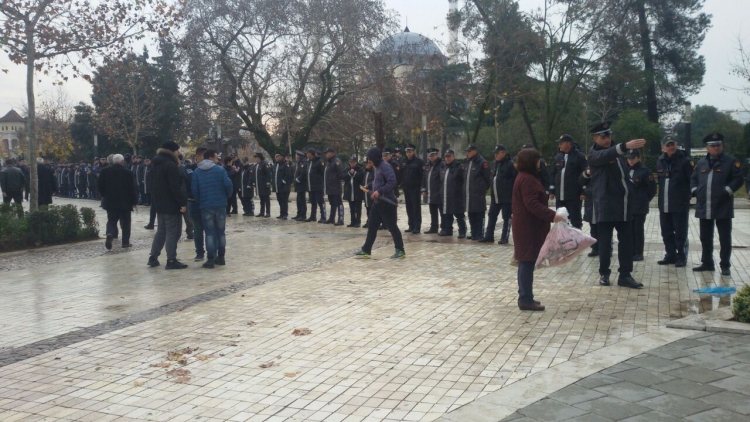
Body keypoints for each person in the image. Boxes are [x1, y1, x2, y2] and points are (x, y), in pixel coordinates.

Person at [584, 122, 646, 289]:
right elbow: (607, 154)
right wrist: (625, 146)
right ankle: (604, 273)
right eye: (602, 136)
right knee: (604, 243)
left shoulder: (617, 153)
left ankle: (625, 275)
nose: (607, 138)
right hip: (605, 205)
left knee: (626, 242)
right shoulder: (594, 154)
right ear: (595, 138)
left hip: (624, 204)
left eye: (608, 135)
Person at [513, 148, 566, 311]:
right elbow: (532, 204)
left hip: (528, 227)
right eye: (537, 160)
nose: (539, 163)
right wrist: (552, 215)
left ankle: (526, 296)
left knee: (526, 261)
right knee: (527, 262)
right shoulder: (527, 179)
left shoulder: (526, 177)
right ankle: (525, 299)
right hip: (528, 228)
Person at [691, 132, 744, 275]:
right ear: (707, 147)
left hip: (723, 206)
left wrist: (727, 191)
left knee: (724, 238)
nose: (716, 148)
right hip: (704, 206)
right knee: (705, 237)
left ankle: (725, 265)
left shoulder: (731, 161)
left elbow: (738, 179)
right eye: (712, 146)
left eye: (718, 145)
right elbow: (693, 178)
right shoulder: (702, 163)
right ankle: (707, 263)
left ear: (722, 146)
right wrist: (695, 190)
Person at [354, 147, 406, 259]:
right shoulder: (377, 167)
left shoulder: (385, 167)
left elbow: (392, 182)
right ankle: (366, 249)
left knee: (392, 226)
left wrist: (379, 191)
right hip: (378, 203)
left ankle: (400, 250)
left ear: (375, 158)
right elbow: (377, 181)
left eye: (370, 159)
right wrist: (370, 185)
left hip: (387, 202)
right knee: (372, 226)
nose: (369, 161)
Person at [148, 141, 189, 270]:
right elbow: (174, 187)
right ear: (172, 151)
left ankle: (153, 257)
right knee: (173, 232)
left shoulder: (154, 164)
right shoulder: (170, 165)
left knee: (161, 231)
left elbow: (150, 184)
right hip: (171, 204)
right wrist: (182, 203)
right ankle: (171, 259)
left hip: (159, 204)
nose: (178, 153)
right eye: (177, 150)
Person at [656, 135, 694, 267]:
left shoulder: (684, 161)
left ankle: (681, 256)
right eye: (668, 145)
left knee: (680, 231)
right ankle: (670, 254)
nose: (671, 147)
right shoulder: (660, 161)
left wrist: (689, 196)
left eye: (673, 144)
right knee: (666, 231)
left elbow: (691, 180)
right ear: (663, 148)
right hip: (664, 204)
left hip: (679, 203)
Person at [191, 149, 234, 268]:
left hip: (205, 205)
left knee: (209, 233)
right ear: (210, 158)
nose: (217, 160)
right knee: (221, 232)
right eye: (216, 157)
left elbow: (194, 190)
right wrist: (226, 197)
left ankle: (210, 259)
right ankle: (221, 257)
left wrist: (201, 201)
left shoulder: (197, 172)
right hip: (220, 204)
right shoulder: (220, 170)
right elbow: (228, 185)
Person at [98, 154, 137, 250]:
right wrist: (134, 201)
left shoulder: (104, 171)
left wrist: (105, 195)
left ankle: (110, 233)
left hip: (110, 201)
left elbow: (99, 186)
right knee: (126, 222)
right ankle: (125, 242)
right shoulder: (127, 172)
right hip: (125, 202)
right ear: (122, 162)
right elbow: (132, 188)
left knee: (111, 220)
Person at [481, 144, 516, 244]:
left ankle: (504, 237)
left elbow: (515, 180)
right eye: (495, 154)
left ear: (504, 153)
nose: (495, 155)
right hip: (495, 196)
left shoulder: (510, 164)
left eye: (498, 153)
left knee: (506, 217)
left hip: (506, 197)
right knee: (492, 215)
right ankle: (489, 236)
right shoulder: (495, 164)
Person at [549, 135, 586, 229]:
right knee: (561, 219)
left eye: (561, 143)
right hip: (560, 196)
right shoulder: (558, 157)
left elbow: (585, 174)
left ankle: (576, 240)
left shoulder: (579, 156)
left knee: (575, 219)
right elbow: (553, 174)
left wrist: (583, 191)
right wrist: (552, 190)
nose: (559, 146)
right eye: (559, 144)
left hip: (573, 195)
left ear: (569, 143)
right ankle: (563, 240)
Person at [626, 150, 657, 261]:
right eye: (629, 158)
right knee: (629, 230)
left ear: (638, 158)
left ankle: (638, 253)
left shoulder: (644, 171)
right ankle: (631, 251)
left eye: (633, 158)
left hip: (639, 206)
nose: (630, 160)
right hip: (628, 206)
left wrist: (644, 200)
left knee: (637, 230)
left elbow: (652, 189)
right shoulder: (625, 170)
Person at [463, 144, 491, 240]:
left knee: (479, 213)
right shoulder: (467, 162)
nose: (468, 153)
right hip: (469, 193)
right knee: (471, 213)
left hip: (478, 193)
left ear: (475, 151)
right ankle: (474, 232)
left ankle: (480, 233)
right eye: (467, 151)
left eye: (469, 151)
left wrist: (482, 189)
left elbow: (487, 178)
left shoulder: (482, 162)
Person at [184, 147, 208, 260]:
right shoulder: (190, 168)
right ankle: (199, 252)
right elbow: (191, 180)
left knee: (210, 228)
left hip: (207, 202)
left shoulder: (213, 168)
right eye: (204, 157)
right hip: (193, 202)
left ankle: (212, 252)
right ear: (197, 157)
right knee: (198, 228)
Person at [438, 150, 467, 238]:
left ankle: (462, 231)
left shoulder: (458, 167)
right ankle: (448, 230)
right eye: (446, 157)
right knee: (447, 213)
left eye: (449, 156)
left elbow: (463, 181)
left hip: (456, 195)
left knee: (459, 214)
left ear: (453, 156)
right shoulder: (443, 167)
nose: (447, 158)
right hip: (445, 194)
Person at [401, 143, 424, 234]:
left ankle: (417, 226)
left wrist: (421, 187)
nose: (408, 153)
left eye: (410, 151)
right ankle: (411, 225)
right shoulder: (404, 162)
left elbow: (422, 176)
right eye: (407, 152)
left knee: (416, 208)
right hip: (407, 188)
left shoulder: (419, 162)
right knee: (409, 208)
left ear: (413, 151)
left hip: (415, 188)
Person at [421, 148, 443, 234]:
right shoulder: (428, 165)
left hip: (439, 192)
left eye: (433, 155)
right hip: (430, 193)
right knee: (433, 212)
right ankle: (434, 227)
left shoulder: (441, 165)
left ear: (437, 155)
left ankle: (444, 228)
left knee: (442, 212)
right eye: (430, 156)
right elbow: (424, 178)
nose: (431, 157)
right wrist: (424, 189)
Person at [322, 148, 344, 225]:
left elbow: (340, 173)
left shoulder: (337, 162)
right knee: (332, 203)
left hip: (336, 187)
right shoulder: (329, 162)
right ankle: (332, 218)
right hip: (330, 187)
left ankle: (340, 219)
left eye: (327, 153)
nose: (326, 155)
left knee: (339, 203)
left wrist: (336, 181)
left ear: (332, 153)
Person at [305, 148, 326, 222]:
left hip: (318, 186)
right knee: (312, 202)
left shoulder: (319, 162)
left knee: (320, 202)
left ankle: (323, 216)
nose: (307, 155)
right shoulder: (309, 162)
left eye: (308, 153)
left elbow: (323, 173)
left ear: (312, 154)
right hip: (311, 186)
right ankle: (313, 216)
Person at [343, 156, 365, 227]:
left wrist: (354, 173)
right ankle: (352, 221)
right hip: (349, 191)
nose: (352, 164)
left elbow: (361, 177)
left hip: (357, 191)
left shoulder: (360, 169)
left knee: (358, 208)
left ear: (356, 162)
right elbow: (343, 177)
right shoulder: (347, 169)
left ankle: (358, 221)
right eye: (350, 162)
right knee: (351, 208)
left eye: (353, 162)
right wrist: (349, 173)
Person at [273, 152, 293, 219]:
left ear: (281, 157)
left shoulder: (285, 164)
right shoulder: (276, 165)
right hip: (277, 186)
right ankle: (281, 213)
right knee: (279, 200)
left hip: (284, 187)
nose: (275, 158)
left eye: (277, 156)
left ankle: (285, 214)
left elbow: (288, 175)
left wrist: (283, 182)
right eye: (275, 157)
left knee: (284, 201)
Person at [253, 152, 272, 217]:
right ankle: (262, 212)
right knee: (262, 200)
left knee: (266, 199)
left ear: (259, 158)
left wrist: (268, 182)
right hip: (259, 185)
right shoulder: (256, 165)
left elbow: (268, 174)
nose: (255, 159)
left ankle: (268, 212)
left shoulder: (264, 164)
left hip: (264, 185)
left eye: (256, 158)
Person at [293, 151, 308, 221]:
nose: (296, 158)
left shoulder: (303, 163)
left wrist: (298, 179)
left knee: (302, 200)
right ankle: (299, 214)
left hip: (302, 184)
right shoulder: (299, 163)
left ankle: (303, 215)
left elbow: (303, 173)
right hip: (299, 185)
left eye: (297, 157)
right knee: (298, 200)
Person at [362, 160, 376, 228]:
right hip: (366, 192)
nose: (366, 165)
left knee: (372, 208)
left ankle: (374, 222)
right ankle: (369, 221)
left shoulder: (374, 172)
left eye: (368, 164)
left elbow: (375, 181)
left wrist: (368, 185)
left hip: (371, 192)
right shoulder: (366, 172)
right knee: (367, 207)